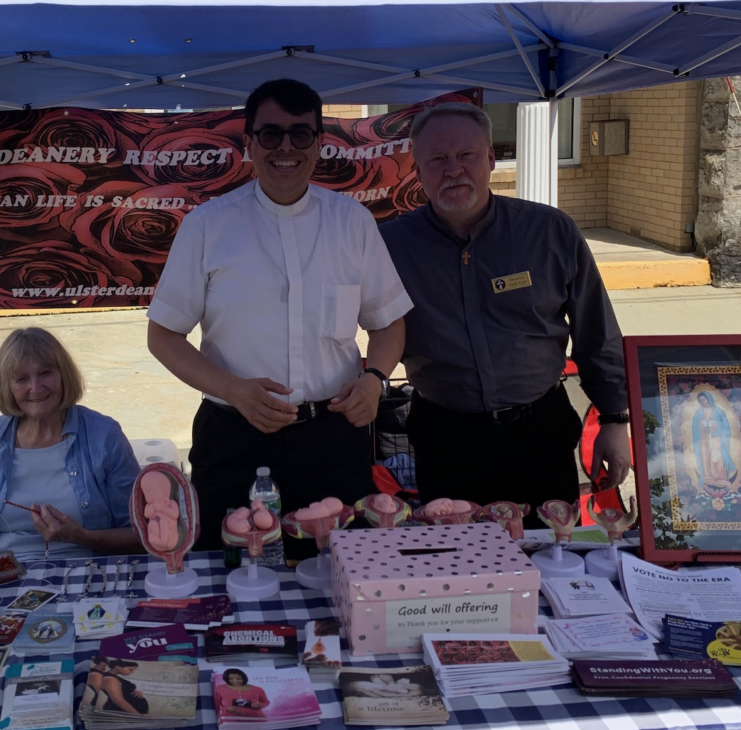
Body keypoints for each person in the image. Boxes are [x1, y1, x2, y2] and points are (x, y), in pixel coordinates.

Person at [147, 78, 413, 555]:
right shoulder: (207, 226)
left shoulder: (351, 223)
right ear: (249, 142)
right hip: (234, 439)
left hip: (334, 438)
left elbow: (388, 322)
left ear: (319, 142)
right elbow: (162, 336)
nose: (285, 147)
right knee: (231, 579)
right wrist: (233, 391)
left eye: (300, 133)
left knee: (338, 576)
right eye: (270, 134)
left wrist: (375, 379)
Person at [378, 102, 631, 521]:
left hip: (540, 437)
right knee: (457, 572)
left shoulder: (551, 232)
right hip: (447, 440)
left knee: (550, 563)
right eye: (437, 159)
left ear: (492, 159)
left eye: (466, 156)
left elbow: (597, 334)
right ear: (417, 171)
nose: (453, 170)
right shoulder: (389, 247)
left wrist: (614, 420)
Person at [0, 327, 146, 563]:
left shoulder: (103, 435)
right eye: (22, 379)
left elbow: (142, 536)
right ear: (8, 387)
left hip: (81, 571)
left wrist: (81, 537)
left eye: (45, 373)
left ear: (64, 375)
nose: (35, 388)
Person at [693, 391, 736, 494]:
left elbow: (725, 427)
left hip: (717, 439)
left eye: (704, 399)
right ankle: (708, 478)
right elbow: (695, 429)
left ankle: (720, 478)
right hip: (705, 440)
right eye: (700, 401)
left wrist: (714, 424)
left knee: (718, 459)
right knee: (706, 459)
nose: (703, 402)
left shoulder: (718, 411)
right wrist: (701, 424)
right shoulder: (698, 413)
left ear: (709, 398)